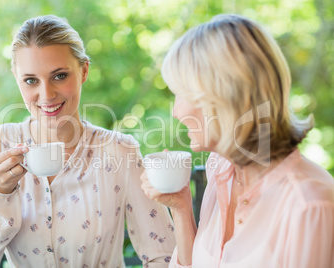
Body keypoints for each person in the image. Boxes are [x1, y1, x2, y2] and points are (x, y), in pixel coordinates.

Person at [0, 15, 175, 267]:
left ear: (83, 70)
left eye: (60, 76)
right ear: (16, 77)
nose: (46, 94)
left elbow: (165, 256)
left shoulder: (119, 150)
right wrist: (0, 192)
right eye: (31, 80)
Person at [141, 14, 334, 267]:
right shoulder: (220, 168)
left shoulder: (310, 203)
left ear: (223, 96)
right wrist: (180, 208)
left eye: (181, 94)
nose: (176, 112)